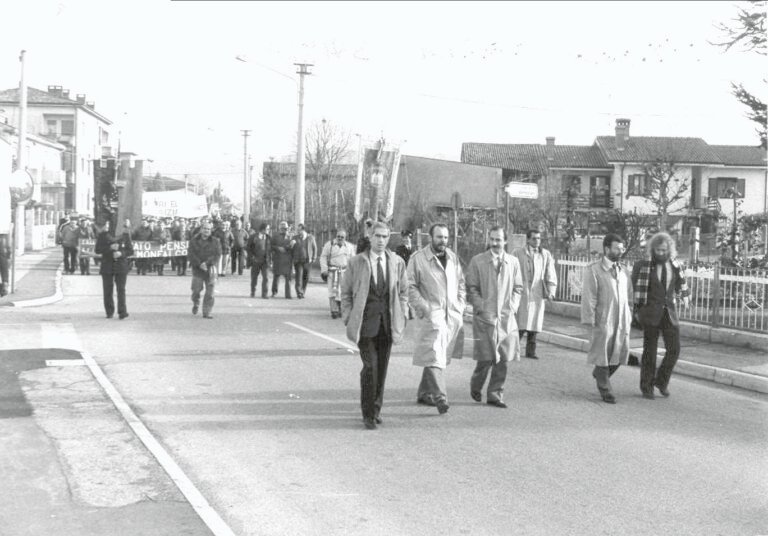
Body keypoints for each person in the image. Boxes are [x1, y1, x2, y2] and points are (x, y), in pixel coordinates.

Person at [341, 222, 409, 430]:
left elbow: (403, 292)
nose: (381, 240)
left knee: (382, 370)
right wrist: (348, 317)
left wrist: (402, 314)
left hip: (387, 325)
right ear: (370, 237)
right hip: (365, 325)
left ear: (389, 238)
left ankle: (376, 408)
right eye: (377, 236)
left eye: (385, 236)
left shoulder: (396, 262)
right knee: (370, 368)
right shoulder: (356, 263)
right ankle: (368, 413)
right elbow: (345, 293)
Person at [407, 223, 466, 414]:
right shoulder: (418, 259)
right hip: (431, 315)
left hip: (450, 316)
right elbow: (409, 285)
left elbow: (461, 283)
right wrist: (422, 306)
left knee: (438, 355)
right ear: (430, 238)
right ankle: (441, 397)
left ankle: (424, 393)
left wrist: (460, 304)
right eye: (439, 237)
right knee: (434, 356)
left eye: (446, 237)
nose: (443, 241)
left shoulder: (453, 258)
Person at [466, 226, 524, 408]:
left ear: (505, 241)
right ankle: (476, 384)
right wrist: (481, 306)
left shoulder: (513, 262)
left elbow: (518, 288)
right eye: (492, 239)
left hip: (506, 318)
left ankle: (495, 393)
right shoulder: (478, 261)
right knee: (485, 358)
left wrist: (512, 306)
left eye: (498, 240)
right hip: (485, 317)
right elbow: (471, 288)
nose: (495, 243)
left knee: (504, 358)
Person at [631, 232, 691, 399]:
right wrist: (637, 312)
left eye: (664, 250)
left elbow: (681, 287)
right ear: (652, 250)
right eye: (658, 250)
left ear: (669, 249)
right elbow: (633, 290)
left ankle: (661, 381)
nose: (661, 253)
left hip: (669, 313)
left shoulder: (676, 266)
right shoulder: (642, 266)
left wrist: (685, 296)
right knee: (649, 351)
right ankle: (646, 387)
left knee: (674, 349)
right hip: (650, 314)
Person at [581, 234, 633, 404]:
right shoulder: (594, 270)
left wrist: (629, 315)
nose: (621, 251)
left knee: (619, 354)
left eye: (622, 247)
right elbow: (589, 298)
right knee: (603, 354)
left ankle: (600, 374)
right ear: (607, 249)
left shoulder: (624, 270)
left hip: (621, 320)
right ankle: (605, 390)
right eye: (617, 247)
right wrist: (590, 321)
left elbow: (629, 296)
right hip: (603, 320)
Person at [513, 229, 558, 359]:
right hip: (522, 291)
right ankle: (512, 350)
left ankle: (530, 352)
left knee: (534, 325)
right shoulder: (517, 253)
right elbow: (511, 271)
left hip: (537, 292)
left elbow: (550, 273)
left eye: (539, 238)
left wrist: (551, 291)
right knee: (520, 325)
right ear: (528, 239)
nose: (537, 241)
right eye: (534, 238)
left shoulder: (545, 254)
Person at [94, 220, 134, 320]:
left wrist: (121, 253)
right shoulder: (103, 236)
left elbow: (130, 250)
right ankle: (109, 311)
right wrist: (109, 248)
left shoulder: (125, 236)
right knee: (108, 289)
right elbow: (98, 250)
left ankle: (122, 311)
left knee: (121, 289)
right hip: (107, 265)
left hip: (121, 266)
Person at [188, 221, 221, 319]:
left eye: (209, 229)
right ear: (201, 229)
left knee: (210, 292)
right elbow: (191, 254)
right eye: (205, 228)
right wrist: (199, 264)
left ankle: (207, 312)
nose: (207, 231)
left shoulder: (216, 241)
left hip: (210, 270)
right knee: (196, 290)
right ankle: (196, 302)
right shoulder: (194, 240)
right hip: (197, 270)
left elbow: (217, 255)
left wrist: (207, 263)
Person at [320, 228, 356, 318]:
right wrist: (324, 269)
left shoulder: (350, 247)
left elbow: (353, 260)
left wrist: (353, 272)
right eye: (338, 236)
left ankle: (342, 309)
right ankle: (334, 310)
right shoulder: (330, 245)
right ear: (336, 236)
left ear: (345, 237)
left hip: (345, 272)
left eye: (342, 237)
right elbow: (323, 257)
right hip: (332, 271)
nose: (340, 238)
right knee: (332, 291)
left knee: (343, 292)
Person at [291, 223, 317, 299]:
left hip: (307, 261)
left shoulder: (311, 237)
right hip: (298, 261)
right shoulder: (294, 238)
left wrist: (314, 257)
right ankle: (299, 292)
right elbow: (290, 248)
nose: (298, 231)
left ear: (303, 229)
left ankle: (302, 291)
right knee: (299, 277)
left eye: (299, 230)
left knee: (306, 277)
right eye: (297, 230)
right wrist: (291, 244)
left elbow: (315, 248)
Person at [247, 222, 271, 298]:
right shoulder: (253, 237)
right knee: (254, 278)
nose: (268, 230)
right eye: (267, 229)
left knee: (266, 277)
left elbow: (270, 249)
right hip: (255, 261)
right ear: (263, 229)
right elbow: (248, 248)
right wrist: (252, 257)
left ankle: (265, 294)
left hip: (265, 261)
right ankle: (253, 291)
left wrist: (270, 259)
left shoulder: (268, 237)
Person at [271, 221, 294, 299]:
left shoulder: (291, 236)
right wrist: (278, 248)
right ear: (280, 228)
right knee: (276, 276)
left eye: (286, 228)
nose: (284, 230)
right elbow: (271, 246)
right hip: (278, 258)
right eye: (283, 228)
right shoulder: (275, 236)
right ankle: (274, 292)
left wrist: (291, 245)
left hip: (287, 260)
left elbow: (293, 247)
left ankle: (288, 294)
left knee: (288, 278)